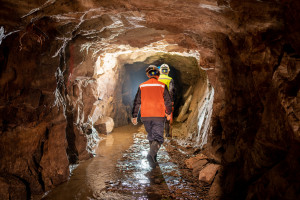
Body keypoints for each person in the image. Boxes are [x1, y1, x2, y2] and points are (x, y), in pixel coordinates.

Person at [131, 65, 172, 168]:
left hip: (145, 116)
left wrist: (134, 115)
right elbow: (167, 101)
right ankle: (151, 155)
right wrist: (168, 113)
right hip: (158, 115)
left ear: (148, 75)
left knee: (151, 136)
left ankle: (154, 159)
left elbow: (137, 102)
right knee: (158, 138)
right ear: (158, 75)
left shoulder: (142, 86)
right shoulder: (162, 86)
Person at [158, 64, 175, 137]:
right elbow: (171, 91)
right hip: (166, 101)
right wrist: (171, 100)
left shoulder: (156, 79)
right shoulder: (170, 79)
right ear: (168, 71)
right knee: (167, 118)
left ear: (160, 71)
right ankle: (167, 134)